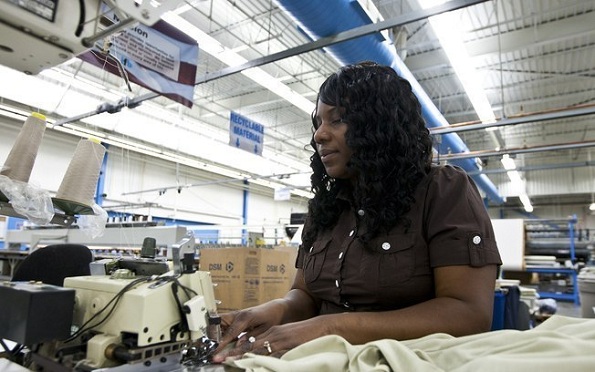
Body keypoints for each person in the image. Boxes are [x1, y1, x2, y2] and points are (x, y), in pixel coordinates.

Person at [211, 61, 502, 362]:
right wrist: (274, 310)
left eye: (336, 120)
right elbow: (306, 295)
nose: (319, 135)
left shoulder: (443, 190)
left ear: (380, 125)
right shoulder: (326, 207)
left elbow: (469, 313)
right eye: (318, 123)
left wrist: (330, 328)